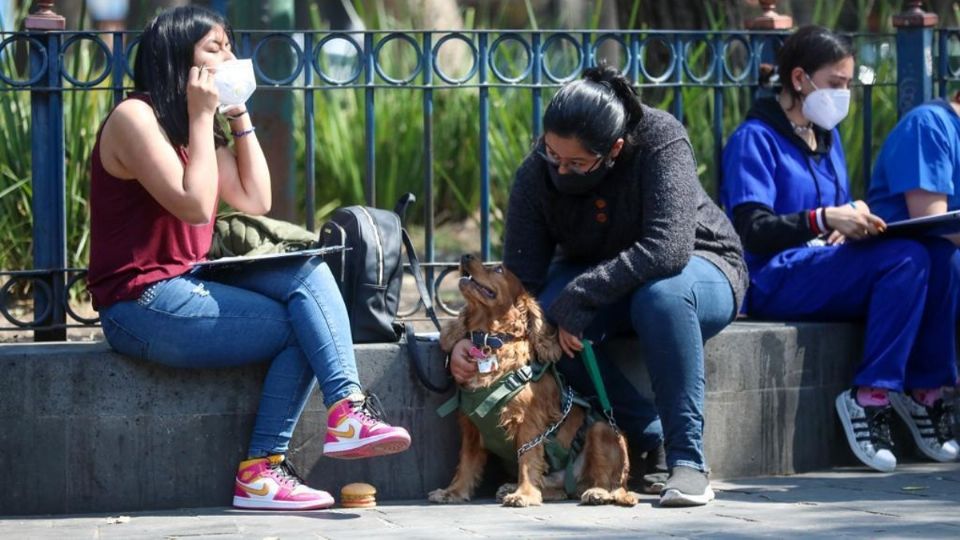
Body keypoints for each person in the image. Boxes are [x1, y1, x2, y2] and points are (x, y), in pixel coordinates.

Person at [87, 6, 411, 511]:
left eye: (230, 47)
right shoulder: (136, 117)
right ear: (178, 59)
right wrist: (200, 114)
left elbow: (257, 198)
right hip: (139, 306)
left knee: (309, 272)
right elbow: (194, 205)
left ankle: (347, 411)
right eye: (214, 49)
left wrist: (237, 112)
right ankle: (262, 472)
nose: (230, 57)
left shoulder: (193, 127)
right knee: (304, 325)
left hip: (189, 286)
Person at [446, 65, 748, 507]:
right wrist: (461, 341)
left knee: (660, 297)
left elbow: (668, 248)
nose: (560, 170)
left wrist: (582, 296)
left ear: (614, 150)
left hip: (699, 265)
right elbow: (518, 286)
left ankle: (687, 461)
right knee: (543, 317)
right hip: (605, 278)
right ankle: (650, 433)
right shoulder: (536, 174)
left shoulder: (661, 138)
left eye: (576, 163)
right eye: (552, 154)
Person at [721, 25, 958, 473]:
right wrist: (823, 218)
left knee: (941, 256)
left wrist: (850, 220)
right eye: (835, 84)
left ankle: (926, 391)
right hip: (774, 277)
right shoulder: (754, 138)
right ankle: (869, 397)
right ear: (799, 80)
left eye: (848, 85)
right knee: (905, 260)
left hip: (822, 267)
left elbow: (833, 217)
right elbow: (752, 228)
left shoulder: (826, 142)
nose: (843, 95)